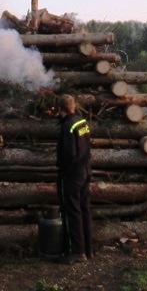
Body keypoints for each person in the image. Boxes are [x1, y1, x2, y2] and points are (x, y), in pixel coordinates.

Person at [56, 94, 93, 262]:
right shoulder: (82, 122)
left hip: (72, 175)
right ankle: (88, 249)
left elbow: (69, 154)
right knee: (84, 209)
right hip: (85, 170)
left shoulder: (68, 127)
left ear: (59, 109)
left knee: (71, 211)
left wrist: (64, 172)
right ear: (74, 106)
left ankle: (76, 251)